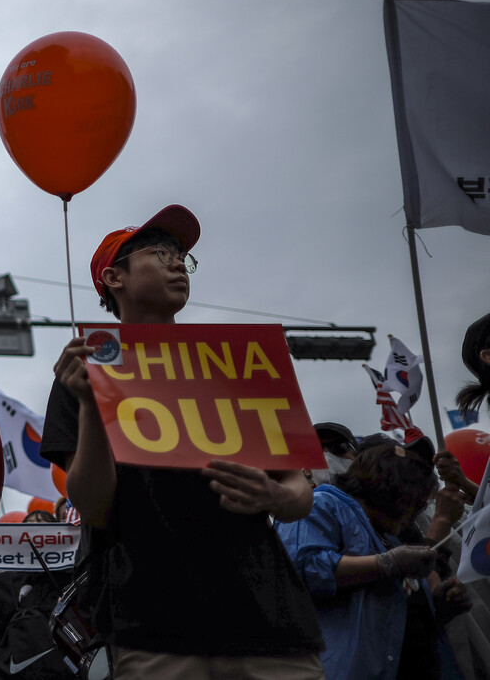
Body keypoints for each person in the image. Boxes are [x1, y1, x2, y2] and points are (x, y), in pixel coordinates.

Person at [39, 205, 325, 678]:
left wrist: (274, 495)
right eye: (161, 253)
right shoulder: (85, 370)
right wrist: (92, 406)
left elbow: (299, 493)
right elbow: (92, 505)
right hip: (155, 631)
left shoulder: (238, 364)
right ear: (115, 277)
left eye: (183, 258)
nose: (178, 263)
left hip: (271, 622)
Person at [278, 440, 471, 679]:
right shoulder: (322, 504)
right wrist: (385, 564)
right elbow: (303, 568)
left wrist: (437, 605)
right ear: (395, 491)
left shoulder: (388, 536)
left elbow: (395, 618)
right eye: (414, 502)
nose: (416, 511)